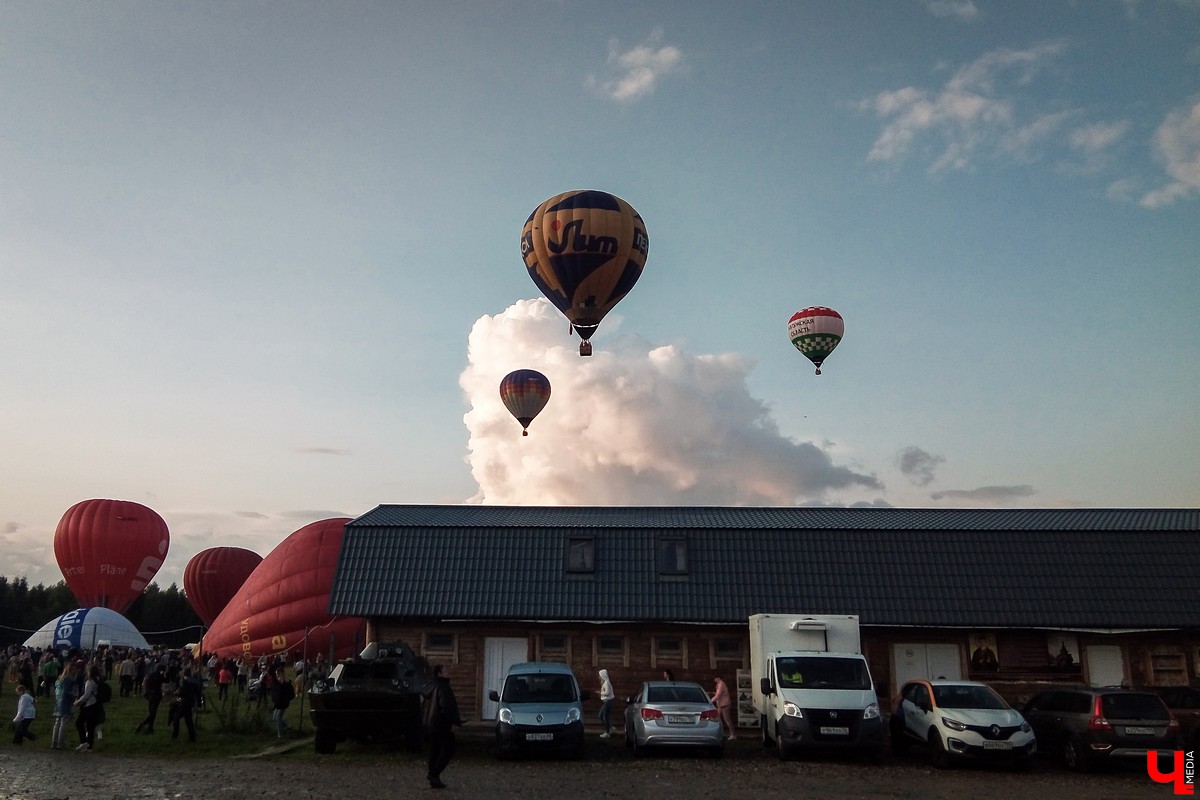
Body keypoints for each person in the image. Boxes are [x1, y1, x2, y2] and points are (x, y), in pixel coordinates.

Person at [420, 664, 462, 790]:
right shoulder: (443, 688)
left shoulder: (430, 686)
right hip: (441, 724)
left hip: (431, 723)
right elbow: (447, 707)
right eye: (444, 670)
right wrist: (453, 723)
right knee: (449, 749)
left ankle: (434, 777)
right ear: (439, 673)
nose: (447, 672)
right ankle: (434, 774)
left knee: (435, 750)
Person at [73, 666, 100, 750]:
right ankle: (89, 746)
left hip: (88, 705)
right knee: (90, 726)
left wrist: (78, 701)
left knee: (79, 722)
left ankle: (84, 741)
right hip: (95, 705)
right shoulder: (97, 681)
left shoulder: (89, 682)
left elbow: (87, 694)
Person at [51, 662, 77, 749]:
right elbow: (67, 691)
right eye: (74, 670)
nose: (75, 671)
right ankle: (60, 743)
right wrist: (74, 696)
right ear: (70, 670)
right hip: (66, 703)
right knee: (63, 724)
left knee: (57, 723)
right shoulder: (69, 679)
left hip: (58, 702)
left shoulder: (60, 679)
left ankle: (53, 742)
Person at [136, 664, 167, 734]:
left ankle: (150, 727)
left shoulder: (151, 674)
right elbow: (166, 681)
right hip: (157, 694)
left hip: (150, 694)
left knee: (151, 711)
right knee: (153, 713)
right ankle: (142, 725)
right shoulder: (160, 675)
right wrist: (165, 674)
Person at [172, 667, 200, 742]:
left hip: (184, 702)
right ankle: (192, 737)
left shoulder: (185, 681)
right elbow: (198, 692)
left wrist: (178, 693)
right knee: (188, 720)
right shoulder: (194, 682)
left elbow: (184, 692)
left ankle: (175, 734)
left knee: (176, 717)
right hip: (191, 702)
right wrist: (199, 703)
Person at [270, 666, 295, 738]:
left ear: (282, 673)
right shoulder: (275, 681)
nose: (277, 675)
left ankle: (280, 734)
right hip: (277, 703)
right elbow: (274, 691)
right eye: (276, 673)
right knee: (274, 718)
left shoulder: (286, 683)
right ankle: (287, 727)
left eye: (278, 673)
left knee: (278, 718)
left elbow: (289, 693)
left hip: (283, 703)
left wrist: (282, 683)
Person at [597, 669, 614, 738]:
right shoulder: (605, 682)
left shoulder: (607, 683)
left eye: (600, 675)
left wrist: (600, 693)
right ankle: (610, 728)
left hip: (608, 702)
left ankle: (608, 732)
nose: (599, 677)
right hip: (606, 702)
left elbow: (607, 693)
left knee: (604, 716)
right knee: (602, 716)